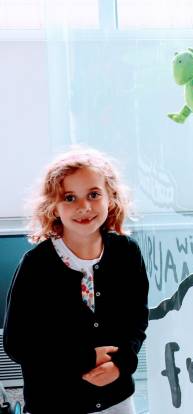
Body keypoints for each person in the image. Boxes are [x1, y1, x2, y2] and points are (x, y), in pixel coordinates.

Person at [3, 148, 149, 414]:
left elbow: (135, 322)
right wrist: (84, 359)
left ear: (111, 198)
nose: (84, 207)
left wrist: (121, 365)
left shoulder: (127, 253)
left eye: (94, 194)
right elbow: (18, 343)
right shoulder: (36, 265)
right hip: (56, 402)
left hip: (117, 400)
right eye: (69, 197)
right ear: (53, 207)